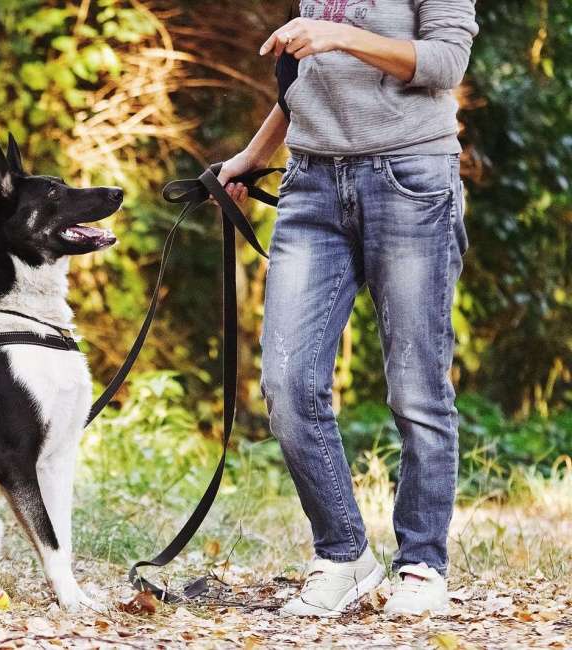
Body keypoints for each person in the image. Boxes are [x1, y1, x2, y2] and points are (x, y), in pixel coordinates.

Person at [218, 1, 478, 617]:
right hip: (311, 183)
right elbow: (306, 82)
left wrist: (337, 34)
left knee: (416, 387)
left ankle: (421, 565)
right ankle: (344, 556)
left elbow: (445, 63)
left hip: (411, 176)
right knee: (286, 382)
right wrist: (253, 155)